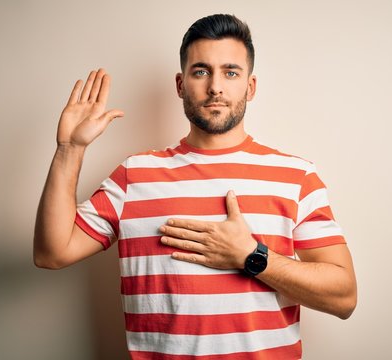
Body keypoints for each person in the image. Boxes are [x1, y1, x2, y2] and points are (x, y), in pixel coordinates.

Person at [34, 14, 357, 359]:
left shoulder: (296, 176)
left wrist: (251, 256)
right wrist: (70, 149)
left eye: (230, 72)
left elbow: (344, 297)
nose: (215, 86)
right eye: (201, 71)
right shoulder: (135, 175)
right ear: (180, 84)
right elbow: (52, 252)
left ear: (250, 87)